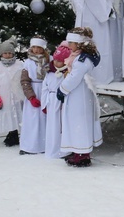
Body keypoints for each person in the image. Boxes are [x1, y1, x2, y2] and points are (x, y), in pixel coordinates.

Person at [58, 28, 103, 167]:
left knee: (79, 124)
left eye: (71, 42)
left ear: (79, 44)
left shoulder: (82, 60)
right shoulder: (81, 57)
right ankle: (79, 151)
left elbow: (74, 78)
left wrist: (62, 89)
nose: (68, 44)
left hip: (79, 96)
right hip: (80, 95)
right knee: (78, 123)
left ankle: (82, 154)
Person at [0, 37, 25, 147]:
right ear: (1, 54)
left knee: (19, 114)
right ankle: (12, 133)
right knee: (9, 114)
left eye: (10, 53)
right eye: (5, 53)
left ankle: (21, 134)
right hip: (4, 96)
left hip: (17, 95)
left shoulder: (19, 64)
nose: (8, 55)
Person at [19, 37, 49, 155]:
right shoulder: (28, 63)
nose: (36, 50)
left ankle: (45, 145)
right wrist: (31, 96)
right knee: (32, 120)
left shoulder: (48, 61)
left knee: (45, 120)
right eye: (34, 47)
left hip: (46, 90)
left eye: (39, 47)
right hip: (34, 91)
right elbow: (24, 81)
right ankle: (29, 146)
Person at [40, 42, 70, 159]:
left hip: (62, 102)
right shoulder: (49, 73)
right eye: (55, 60)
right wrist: (44, 105)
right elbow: (44, 88)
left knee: (62, 126)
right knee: (52, 127)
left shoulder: (67, 73)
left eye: (60, 61)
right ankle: (52, 149)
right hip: (52, 102)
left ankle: (64, 150)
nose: (57, 63)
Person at [102, 0, 123, 82]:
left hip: (117, 10)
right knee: (110, 41)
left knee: (117, 41)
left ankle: (118, 70)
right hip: (108, 12)